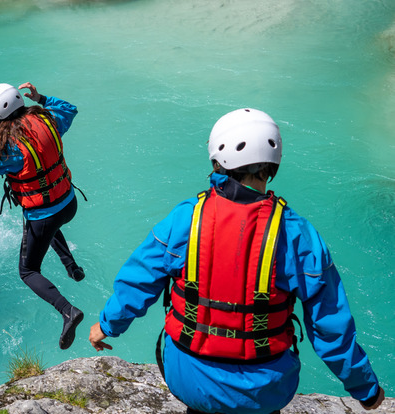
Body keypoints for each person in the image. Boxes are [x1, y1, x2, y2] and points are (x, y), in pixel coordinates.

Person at [88, 108, 385, 413]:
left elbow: (138, 282)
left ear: (218, 161)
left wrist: (107, 326)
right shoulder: (298, 234)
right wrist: (366, 389)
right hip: (263, 391)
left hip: (190, 380)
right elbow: (332, 327)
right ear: (270, 166)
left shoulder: (185, 219)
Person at [0, 82, 86, 349]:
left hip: (45, 214)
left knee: (28, 271)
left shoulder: (4, 148)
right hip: (68, 203)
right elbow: (70, 109)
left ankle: (68, 311)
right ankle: (73, 268)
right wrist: (42, 97)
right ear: (20, 101)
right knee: (47, 223)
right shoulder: (48, 121)